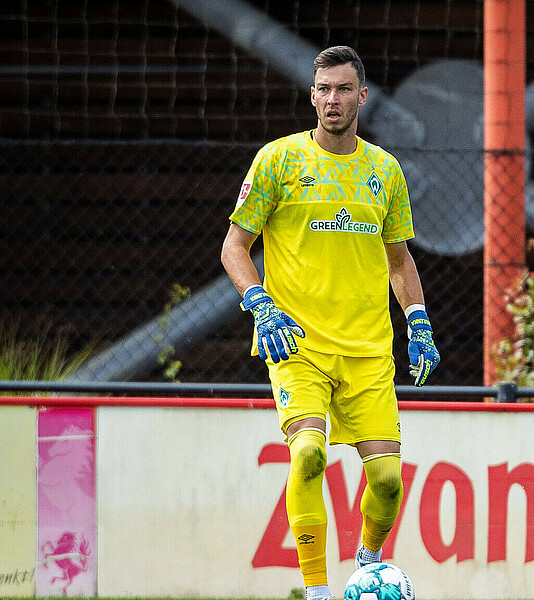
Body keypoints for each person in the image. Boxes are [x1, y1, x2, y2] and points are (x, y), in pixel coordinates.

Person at [220, 45, 440, 600]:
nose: (332, 100)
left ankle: (367, 566)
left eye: (343, 89)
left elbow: (399, 258)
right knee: (310, 453)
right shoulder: (278, 161)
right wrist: (259, 303)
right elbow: (234, 247)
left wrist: (418, 322)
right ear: (311, 95)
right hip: (297, 345)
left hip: (368, 351)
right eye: (323, 89)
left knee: (387, 483)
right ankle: (317, 592)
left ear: (362, 97)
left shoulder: (385, 171)